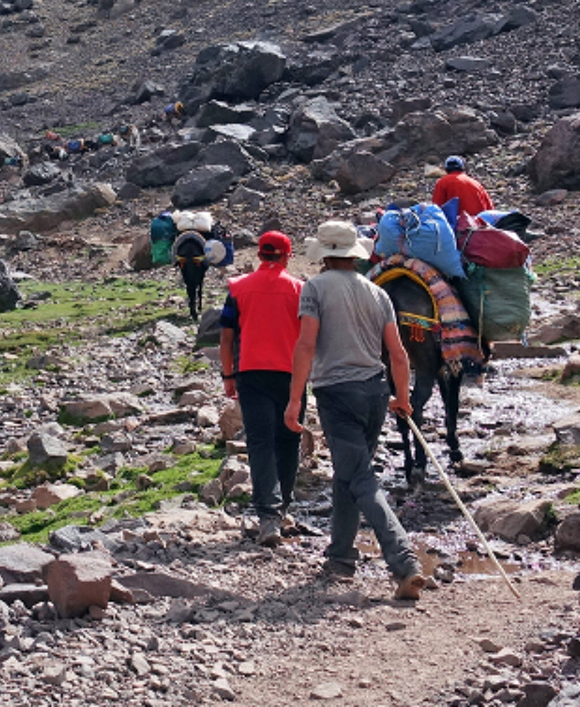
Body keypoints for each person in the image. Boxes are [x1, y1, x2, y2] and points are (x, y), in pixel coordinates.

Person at [285, 221, 430, 600]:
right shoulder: (377, 292)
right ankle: (340, 558)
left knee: (360, 477)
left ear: (324, 255)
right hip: (375, 392)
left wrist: (295, 399)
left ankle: (404, 562)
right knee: (348, 473)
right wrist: (402, 397)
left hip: (336, 392)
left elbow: (306, 345)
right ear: (353, 255)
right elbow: (398, 354)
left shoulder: (315, 288)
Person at [217, 231, 306, 547]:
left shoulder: (238, 288)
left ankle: (268, 516)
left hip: (251, 373)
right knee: (289, 439)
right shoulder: (300, 290)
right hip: (291, 375)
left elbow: (226, 337)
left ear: (259, 255)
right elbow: (310, 338)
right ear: (287, 257)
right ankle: (282, 508)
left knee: (260, 443)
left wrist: (228, 375)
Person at [171, 225, 211, 319]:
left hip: (183, 258)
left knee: (189, 283)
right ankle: (199, 303)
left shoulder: (180, 229)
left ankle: (192, 307)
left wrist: (174, 261)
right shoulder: (203, 229)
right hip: (199, 259)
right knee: (199, 280)